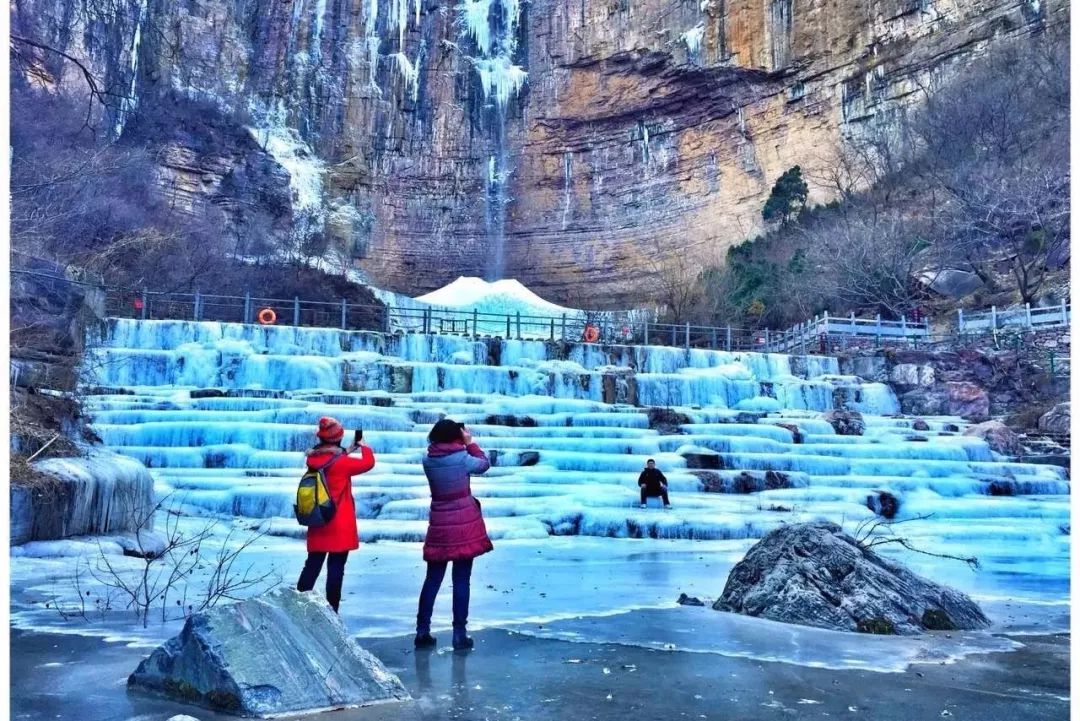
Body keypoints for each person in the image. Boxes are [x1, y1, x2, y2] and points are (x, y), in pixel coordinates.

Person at [414, 419, 493, 651]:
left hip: (439, 523)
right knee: (461, 580)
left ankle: (422, 631)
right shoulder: (462, 458)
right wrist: (471, 443)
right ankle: (459, 634)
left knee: (432, 579)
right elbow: (484, 464)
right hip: (463, 525)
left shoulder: (428, 460)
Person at [296, 416, 375, 613]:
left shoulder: (312, 459)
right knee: (336, 568)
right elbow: (368, 463)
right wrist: (364, 446)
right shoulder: (343, 463)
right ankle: (333, 609)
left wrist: (347, 450)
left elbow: (330, 458)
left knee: (313, 564)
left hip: (318, 518)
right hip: (338, 522)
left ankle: (297, 603)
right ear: (338, 437)